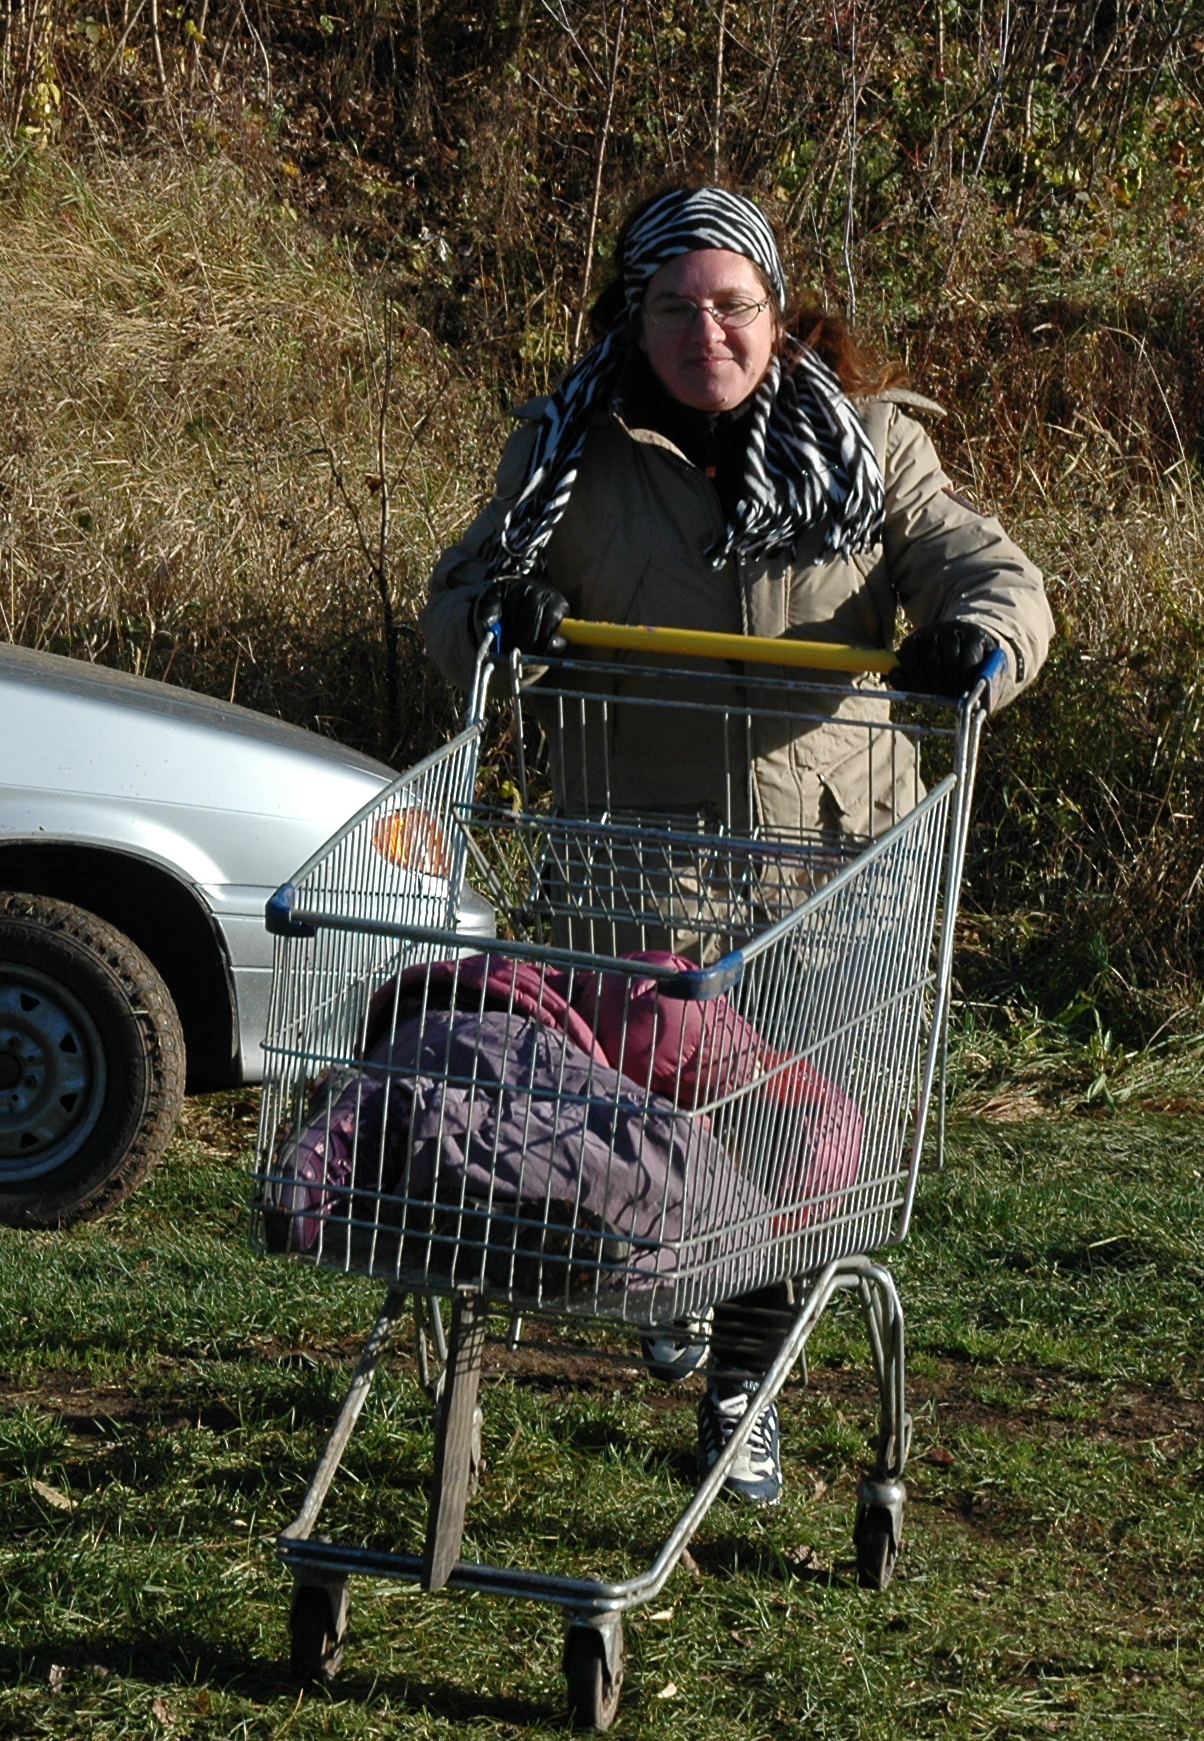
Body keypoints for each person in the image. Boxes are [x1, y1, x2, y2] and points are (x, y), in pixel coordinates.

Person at [421, 185, 1054, 1506]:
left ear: (776, 309)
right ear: (633, 316)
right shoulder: (569, 454)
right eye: (674, 307)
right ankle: (684, 1287)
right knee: (669, 1138)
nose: (706, 332)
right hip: (641, 877)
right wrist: (503, 617)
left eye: (732, 305)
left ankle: (742, 1391)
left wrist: (977, 644)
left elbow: (986, 572)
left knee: (813, 1141)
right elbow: (461, 596)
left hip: (835, 873)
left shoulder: (869, 443)